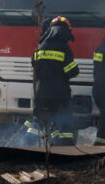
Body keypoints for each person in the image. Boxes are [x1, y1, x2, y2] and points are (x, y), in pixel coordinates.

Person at [31, 16, 79, 146]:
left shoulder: (41, 46)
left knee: (41, 122)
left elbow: (34, 63)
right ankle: (64, 149)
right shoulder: (64, 48)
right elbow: (72, 71)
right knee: (64, 122)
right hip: (60, 94)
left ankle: (32, 146)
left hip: (41, 93)